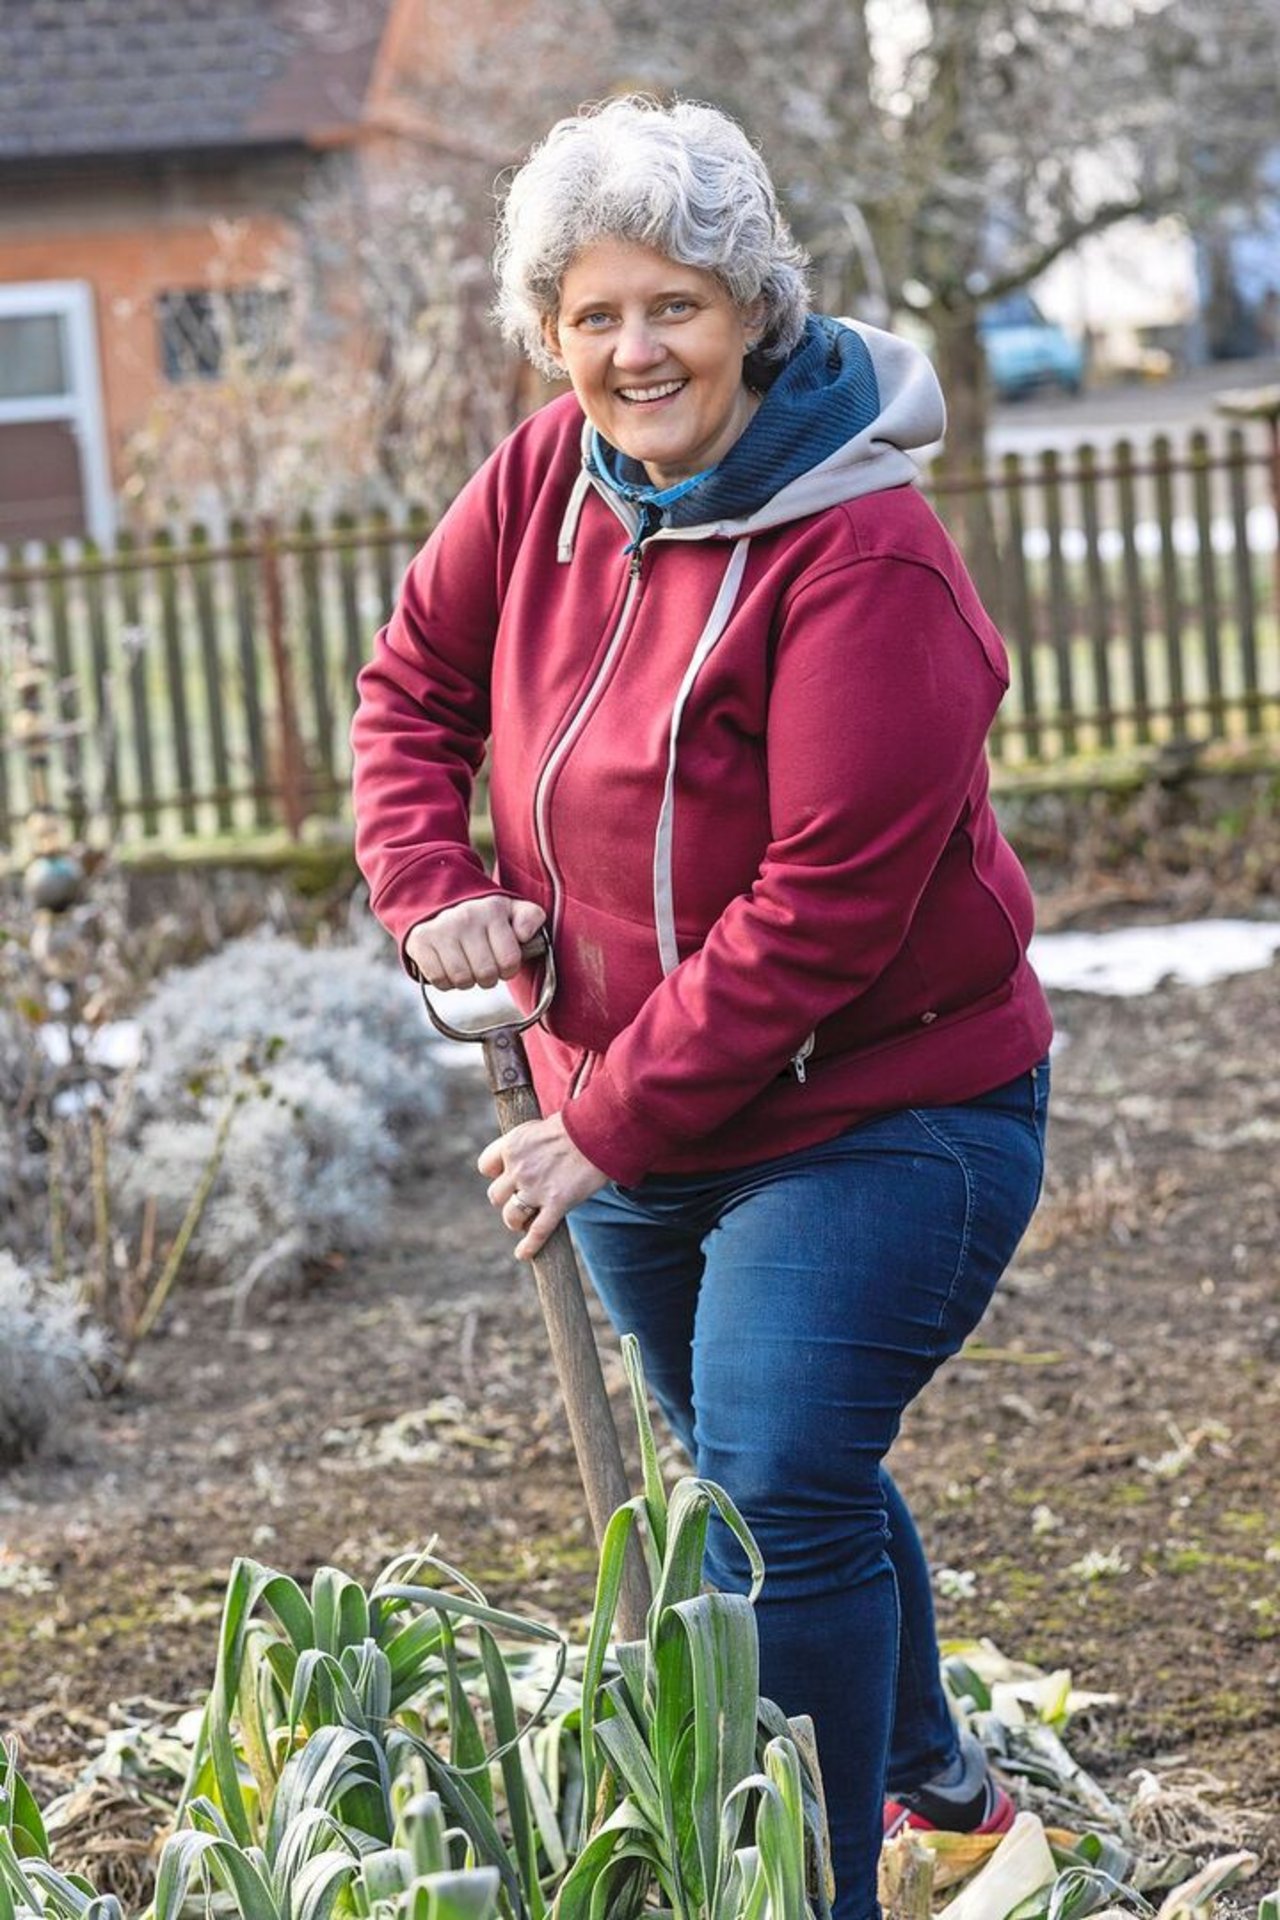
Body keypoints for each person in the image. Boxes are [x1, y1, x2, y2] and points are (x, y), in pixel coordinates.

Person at [351, 94, 1053, 1920]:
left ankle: (810, 1889)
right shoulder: (540, 486)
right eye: (593, 315)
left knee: (767, 1482)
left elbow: (822, 913)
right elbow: (409, 692)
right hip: (636, 1116)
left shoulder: (866, 556)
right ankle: (952, 1798)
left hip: (885, 1114)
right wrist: (435, 891)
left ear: (751, 306)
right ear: (552, 333)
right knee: (767, 1472)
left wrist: (594, 1128)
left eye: (670, 305)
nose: (632, 349)